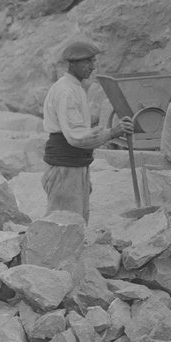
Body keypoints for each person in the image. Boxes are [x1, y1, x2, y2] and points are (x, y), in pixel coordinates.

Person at [41, 38, 133, 221]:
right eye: (88, 62)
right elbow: (77, 137)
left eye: (94, 61)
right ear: (73, 63)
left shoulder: (74, 88)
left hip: (74, 164)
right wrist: (112, 132)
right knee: (64, 223)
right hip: (66, 167)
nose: (92, 67)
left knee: (77, 220)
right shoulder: (67, 91)